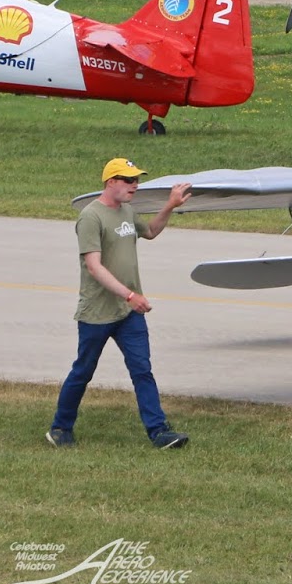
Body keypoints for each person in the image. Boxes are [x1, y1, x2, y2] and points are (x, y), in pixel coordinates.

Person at [48, 158, 193, 449]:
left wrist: (169, 206)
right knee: (83, 371)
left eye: (136, 180)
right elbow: (94, 267)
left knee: (142, 370)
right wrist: (130, 295)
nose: (135, 185)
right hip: (98, 313)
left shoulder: (128, 211)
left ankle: (159, 432)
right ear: (110, 182)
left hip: (128, 313)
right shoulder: (91, 217)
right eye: (128, 180)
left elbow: (150, 232)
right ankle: (60, 428)